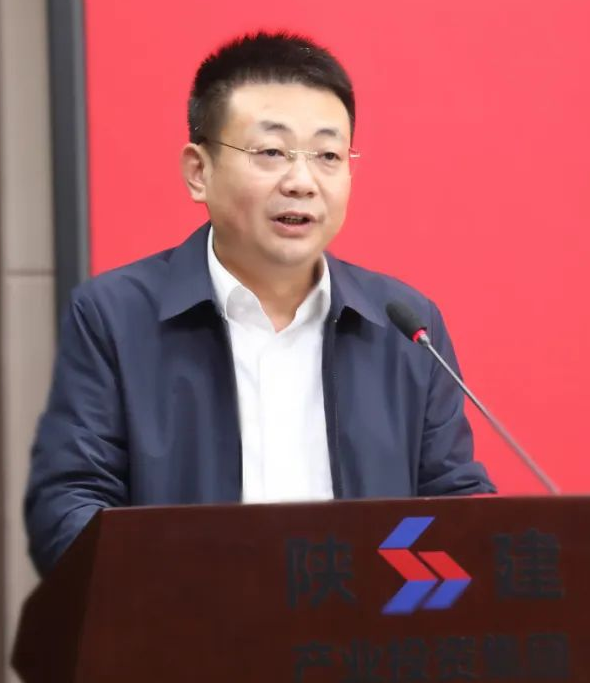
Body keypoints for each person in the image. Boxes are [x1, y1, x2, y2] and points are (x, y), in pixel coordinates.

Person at [25, 31, 495, 576]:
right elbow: (69, 508)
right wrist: (188, 593)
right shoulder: (115, 316)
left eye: (328, 155)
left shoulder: (406, 326)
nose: (302, 182)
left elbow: (454, 504)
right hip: (188, 625)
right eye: (271, 153)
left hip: (359, 627)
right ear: (199, 172)